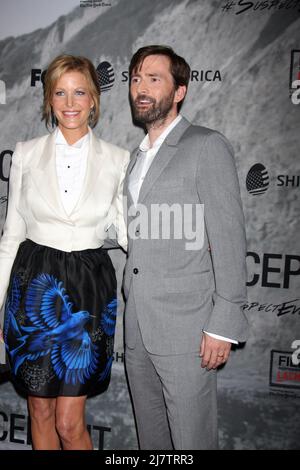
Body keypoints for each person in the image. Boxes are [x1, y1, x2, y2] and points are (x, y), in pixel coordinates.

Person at [0, 54, 129, 450]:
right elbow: (11, 236)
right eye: (60, 92)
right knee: (39, 412)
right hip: (34, 284)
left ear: (94, 99)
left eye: (79, 92)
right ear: (48, 99)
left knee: (70, 423)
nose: (70, 103)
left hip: (89, 291)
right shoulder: (25, 152)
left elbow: (131, 233)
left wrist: (185, 244)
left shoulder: (119, 160)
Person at [123, 45, 249, 450]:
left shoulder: (205, 146)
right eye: (136, 79)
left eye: (153, 79)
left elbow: (229, 239)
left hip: (188, 329)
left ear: (179, 91)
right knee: (152, 443)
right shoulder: (135, 158)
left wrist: (222, 324)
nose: (141, 89)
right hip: (138, 327)